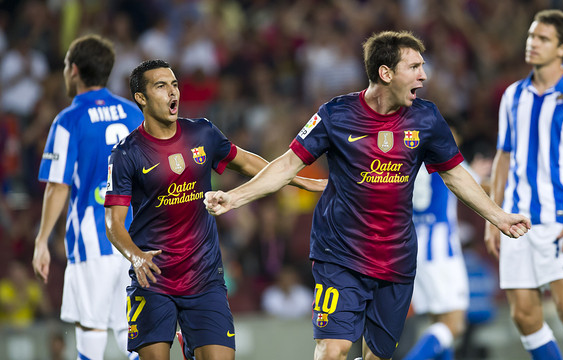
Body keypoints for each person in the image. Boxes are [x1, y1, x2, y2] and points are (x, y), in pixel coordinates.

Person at [204, 30, 531, 360]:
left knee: (377, 356)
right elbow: (288, 164)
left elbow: (457, 175)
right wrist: (235, 197)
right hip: (340, 254)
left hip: (396, 259)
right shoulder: (335, 115)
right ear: (386, 73)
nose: (424, 75)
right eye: (414, 67)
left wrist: (499, 216)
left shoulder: (427, 118)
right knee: (333, 349)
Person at [103, 59, 325, 360]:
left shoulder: (202, 134)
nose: (173, 93)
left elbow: (247, 162)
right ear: (141, 98)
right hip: (153, 277)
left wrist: (299, 180)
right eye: (161, 86)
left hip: (203, 275)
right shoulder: (126, 153)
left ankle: (191, 344)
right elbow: (113, 222)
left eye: (175, 85)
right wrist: (136, 257)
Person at [484, 9, 563, 360]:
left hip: (559, 219)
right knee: (523, 315)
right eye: (531, 37)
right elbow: (503, 157)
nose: (532, 44)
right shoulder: (512, 95)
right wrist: (494, 215)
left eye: (543, 39)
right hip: (516, 222)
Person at [32, 34, 144, 360]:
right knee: (130, 330)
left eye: (66, 64)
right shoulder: (134, 114)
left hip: (92, 239)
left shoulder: (69, 120)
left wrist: (42, 240)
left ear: (75, 70)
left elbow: (57, 185)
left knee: (91, 328)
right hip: (134, 240)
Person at [402, 122, 471, 360]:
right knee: (454, 324)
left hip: (412, 248)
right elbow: (474, 185)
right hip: (441, 250)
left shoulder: (408, 162)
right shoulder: (450, 161)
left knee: (437, 321)